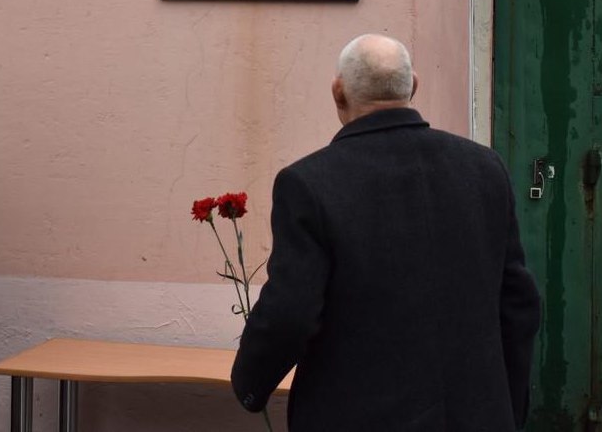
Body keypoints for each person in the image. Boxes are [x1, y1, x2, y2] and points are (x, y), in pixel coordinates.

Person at [231, 34, 541, 431]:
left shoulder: (309, 184)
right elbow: (518, 306)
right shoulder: (485, 169)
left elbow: (291, 312)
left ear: (338, 91)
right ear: (413, 86)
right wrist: (506, 409)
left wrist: (249, 384)